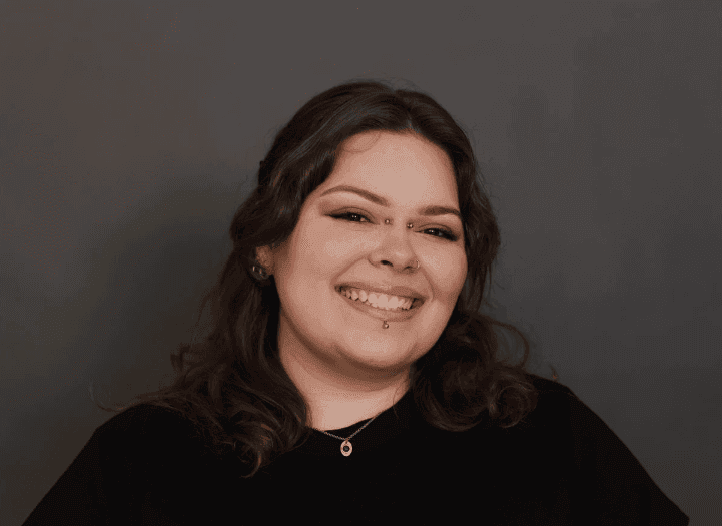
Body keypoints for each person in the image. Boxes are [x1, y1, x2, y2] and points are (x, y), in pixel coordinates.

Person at [21, 78, 690, 525]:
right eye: (354, 215)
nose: (400, 253)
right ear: (267, 244)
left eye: (435, 229)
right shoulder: (142, 461)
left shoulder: (551, 439)